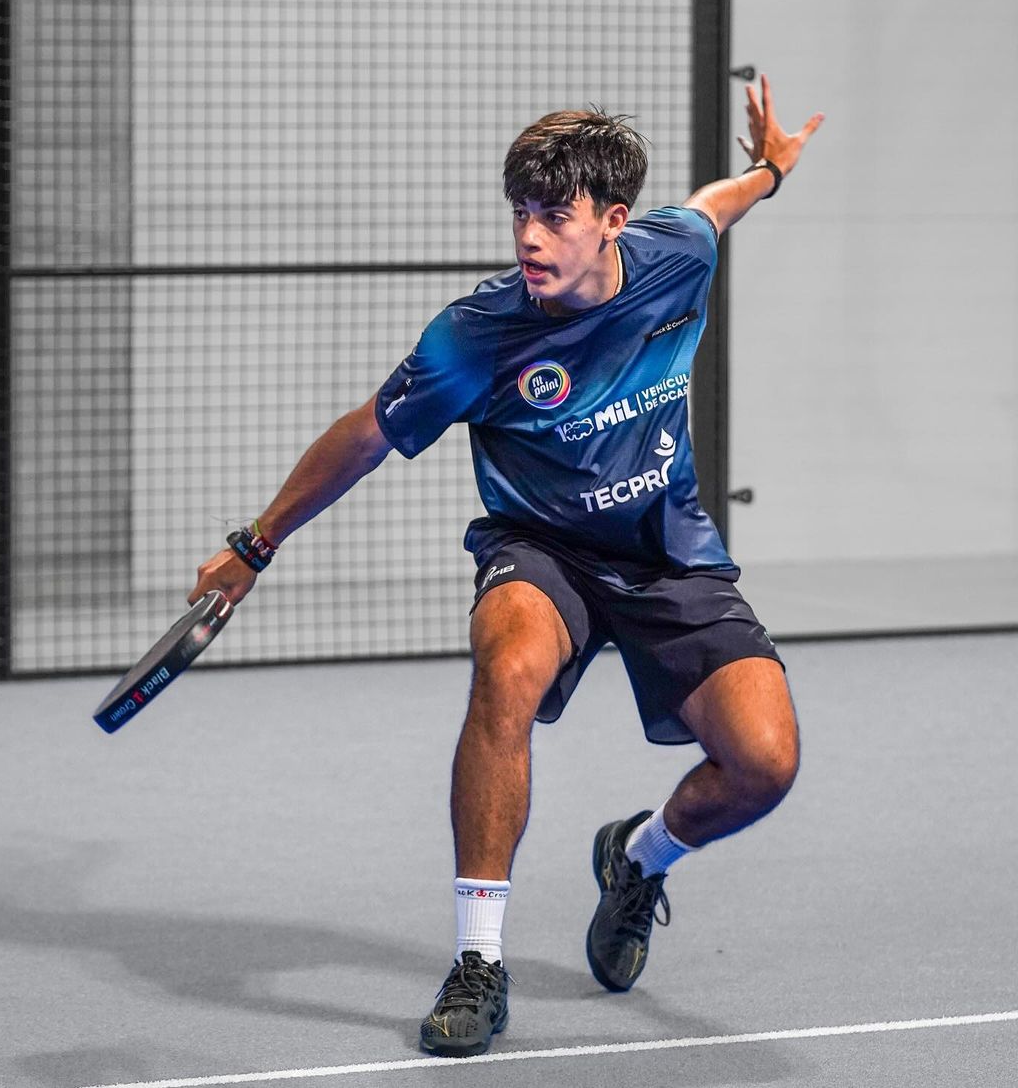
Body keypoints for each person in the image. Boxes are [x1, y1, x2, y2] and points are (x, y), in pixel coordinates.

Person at [189, 75, 824, 1058]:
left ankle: (638, 860)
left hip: (668, 551)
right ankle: (479, 960)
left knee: (765, 764)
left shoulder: (674, 258)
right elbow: (364, 436)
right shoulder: (475, 335)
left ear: (612, 222)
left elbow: (714, 208)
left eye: (553, 218)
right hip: (543, 549)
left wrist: (770, 170)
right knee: (508, 671)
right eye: (520, 214)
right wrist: (255, 544)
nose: (529, 238)